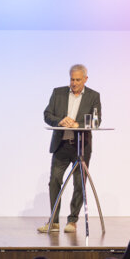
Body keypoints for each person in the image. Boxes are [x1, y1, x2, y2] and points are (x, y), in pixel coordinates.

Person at [38, 64, 101, 233]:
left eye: (78, 80)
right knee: (55, 181)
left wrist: (77, 124)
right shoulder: (58, 93)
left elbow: (96, 122)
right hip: (61, 145)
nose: (74, 83)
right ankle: (54, 221)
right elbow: (47, 114)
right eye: (72, 79)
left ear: (85, 79)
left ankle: (72, 221)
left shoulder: (94, 96)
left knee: (79, 184)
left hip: (81, 147)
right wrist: (60, 121)